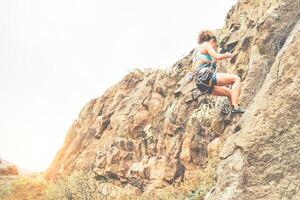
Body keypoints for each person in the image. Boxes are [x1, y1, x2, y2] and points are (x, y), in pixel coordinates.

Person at [192, 30, 245, 114]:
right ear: (212, 40)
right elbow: (217, 57)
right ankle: (235, 107)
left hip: (200, 84)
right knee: (236, 79)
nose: (215, 48)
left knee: (229, 93)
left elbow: (200, 64)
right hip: (206, 77)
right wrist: (226, 55)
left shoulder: (196, 52)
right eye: (215, 46)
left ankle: (234, 112)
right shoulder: (206, 44)